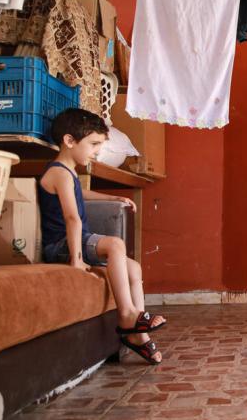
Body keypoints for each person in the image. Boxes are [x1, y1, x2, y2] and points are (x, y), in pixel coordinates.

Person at [38, 108, 166, 364]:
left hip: (77, 241)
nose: (97, 151)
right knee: (115, 245)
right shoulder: (59, 172)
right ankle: (128, 315)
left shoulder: (68, 171)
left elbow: (79, 196)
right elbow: (72, 218)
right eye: (94, 144)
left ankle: (136, 335)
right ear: (69, 141)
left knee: (133, 267)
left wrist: (113, 197)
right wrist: (76, 259)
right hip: (62, 246)